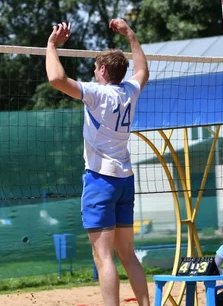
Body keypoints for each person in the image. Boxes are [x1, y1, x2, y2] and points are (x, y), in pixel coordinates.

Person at [45, 19, 150, 306]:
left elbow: (56, 79)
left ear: (103, 70)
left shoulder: (97, 93)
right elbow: (143, 70)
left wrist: (52, 45)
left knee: (103, 257)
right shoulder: (130, 92)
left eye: (95, 68)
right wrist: (130, 33)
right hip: (125, 179)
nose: (93, 72)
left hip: (101, 181)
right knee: (127, 256)